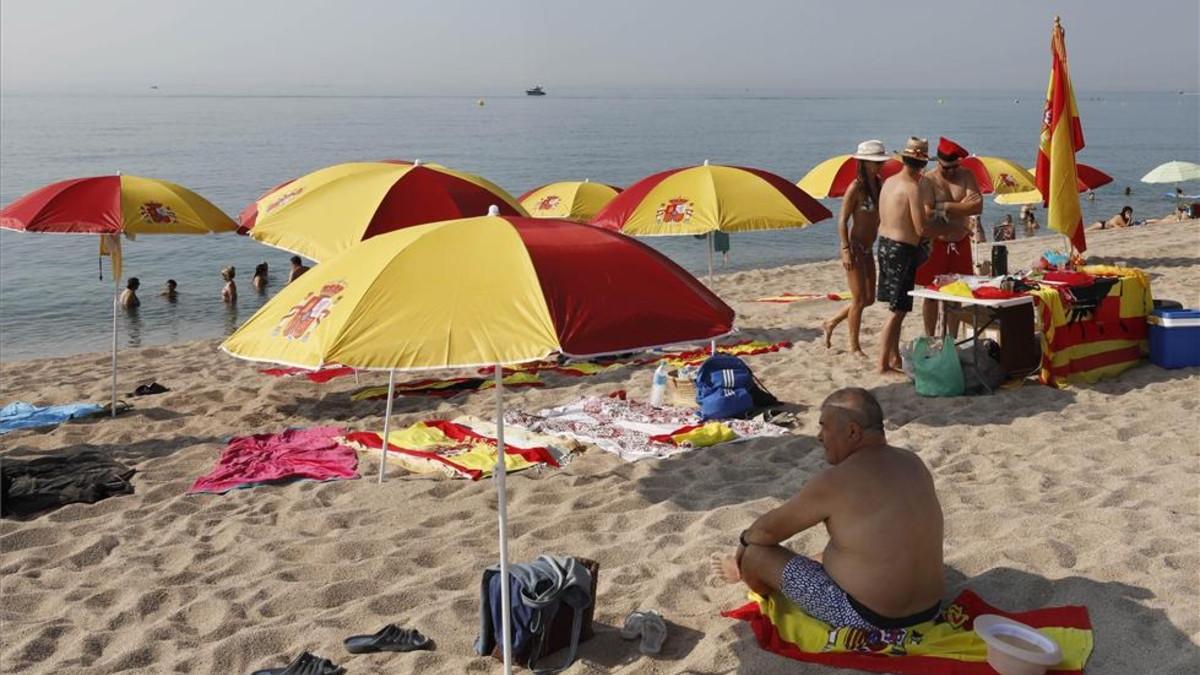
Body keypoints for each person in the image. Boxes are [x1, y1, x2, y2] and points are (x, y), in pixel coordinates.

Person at [710, 388, 944, 631]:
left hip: (870, 618)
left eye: (824, 427)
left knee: (756, 554)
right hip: (931, 609)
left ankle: (744, 573)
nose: (820, 437)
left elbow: (764, 533)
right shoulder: (912, 461)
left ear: (853, 431)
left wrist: (742, 549)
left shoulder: (837, 480)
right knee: (848, 546)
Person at [875, 137, 956, 375]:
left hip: (884, 244)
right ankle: (882, 363)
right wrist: (948, 229)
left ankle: (893, 358)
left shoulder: (889, 181)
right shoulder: (913, 188)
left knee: (895, 307)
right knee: (897, 310)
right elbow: (921, 229)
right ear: (921, 166)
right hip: (902, 249)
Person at [823, 140, 889, 357]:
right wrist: (844, 249)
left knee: (869, 298)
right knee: (859, 299)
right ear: (864, 163)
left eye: (880, 162)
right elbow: (842, 220)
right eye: (874, 162)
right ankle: (854, 346)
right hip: (855, 247)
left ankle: (832, 321)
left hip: (869, 248)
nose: (879, 166)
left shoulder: (879, 185)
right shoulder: (856, 187)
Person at [915, 137, 981, 338]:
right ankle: (930, 336)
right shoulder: (928, 179)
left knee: (956, 293)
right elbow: (926, 212)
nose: (951, 172)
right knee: (932, 294)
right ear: (938, 162)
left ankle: (951, 339)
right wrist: (961, 206)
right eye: (946, 168)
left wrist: (944, 206)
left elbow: (977, 206)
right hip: (936, 244)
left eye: (954, 167)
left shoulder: (966, 175)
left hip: (960, 242)